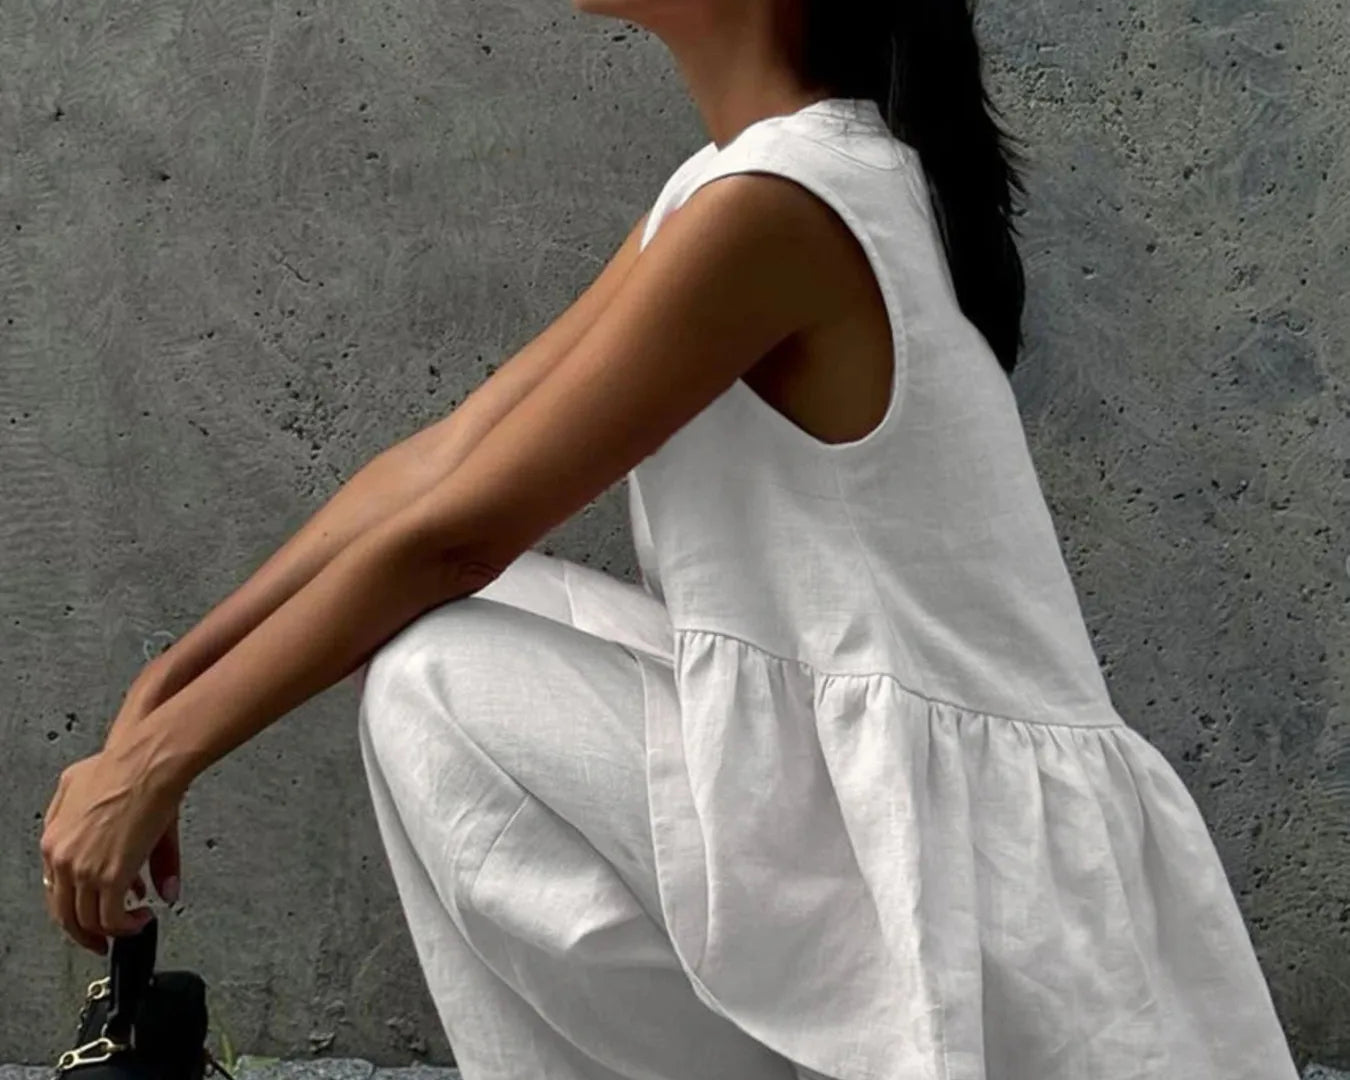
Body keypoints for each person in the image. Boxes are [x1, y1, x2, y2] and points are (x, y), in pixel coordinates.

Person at [40, 0, 1303, 1078]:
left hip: (970, 899)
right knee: (491, 628)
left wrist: (163, 765)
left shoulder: (782, 206)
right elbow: (445, 456)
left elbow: (454, 533)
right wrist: (167, 692)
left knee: (439, 683)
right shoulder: (757, 180)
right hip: (870, 806)